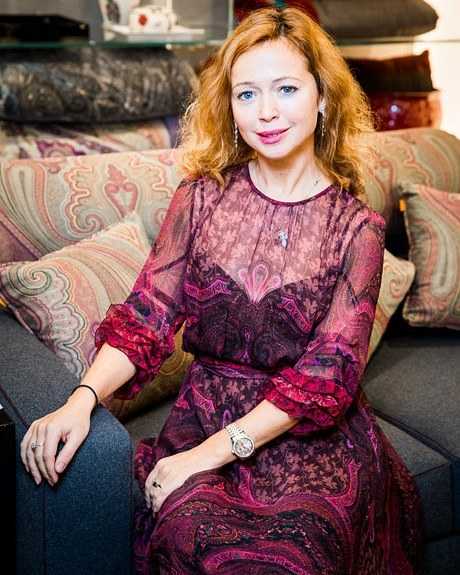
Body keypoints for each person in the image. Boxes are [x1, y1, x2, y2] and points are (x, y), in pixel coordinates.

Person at [20, 6, 424, 574]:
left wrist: (206, 456)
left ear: (323, 98)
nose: (266, 112)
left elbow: (327, 374)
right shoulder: (200, 198)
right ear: (230, 107)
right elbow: (147, 316)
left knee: (299, 551)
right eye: (247, 94)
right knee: (190, 534)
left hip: (308, 440)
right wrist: (81, 400)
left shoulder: (357, 229)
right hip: (205, 413)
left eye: (286, 89)